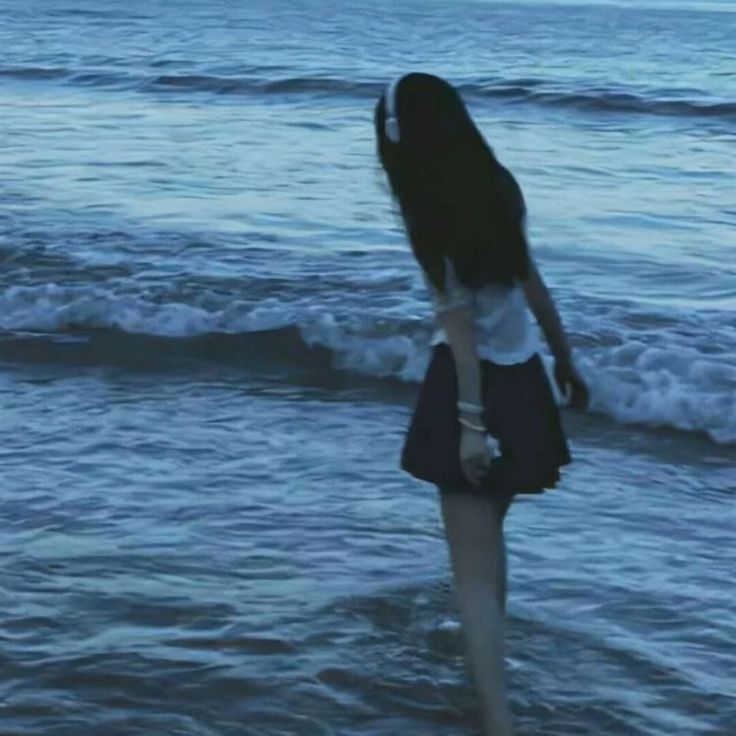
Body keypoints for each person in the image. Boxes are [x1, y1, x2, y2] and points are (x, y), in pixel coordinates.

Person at [374, 72, 589, 736]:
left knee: (469, 572)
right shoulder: (500, 187)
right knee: (490, 546)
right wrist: (564, 357)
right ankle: (491, 681)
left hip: (469, 390)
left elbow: (462, 333)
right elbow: (531, 282)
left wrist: (469, 426)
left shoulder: (427, 211)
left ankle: (496, 718)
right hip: (523, 379)